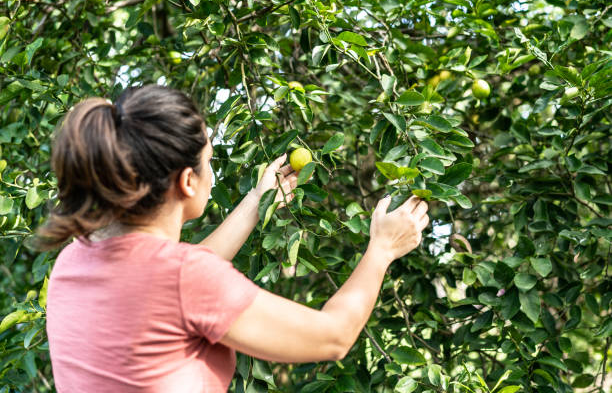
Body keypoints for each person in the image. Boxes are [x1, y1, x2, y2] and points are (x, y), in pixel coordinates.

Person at [36, 84, 429, 392]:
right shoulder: (184, 278)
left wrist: (258, 201)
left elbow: (168, 289)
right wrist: (382, 248)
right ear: (187, 182)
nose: (212, 173)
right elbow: (332, 338)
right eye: (208, 161)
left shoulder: (74, 259)